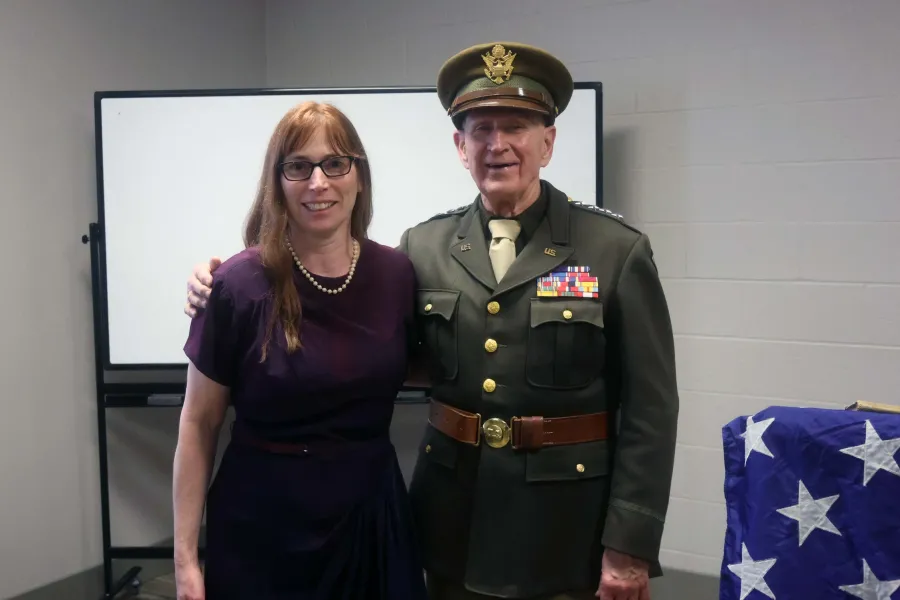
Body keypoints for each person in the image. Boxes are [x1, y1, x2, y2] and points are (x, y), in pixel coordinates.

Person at [186, 41, 679, 600]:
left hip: (565, 531)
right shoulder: (423, 249)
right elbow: (352, 325)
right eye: (480, 130)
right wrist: (215, 281)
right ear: (460, 147)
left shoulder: (614, 251)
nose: (497, 145)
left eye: (515, 127)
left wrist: (630, 545)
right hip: (450, 526)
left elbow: (651, 411)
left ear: (547, 142)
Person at [173, 101, 428, 600]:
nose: (318, 183)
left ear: (359, 175)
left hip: (371, 521)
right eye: (298, 166)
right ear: (277, 181)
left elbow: (424, 365)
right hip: (262, 530)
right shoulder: (236, 285)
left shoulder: (397, 274)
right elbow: (198, 424)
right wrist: (184, 560)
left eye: (335, 163)